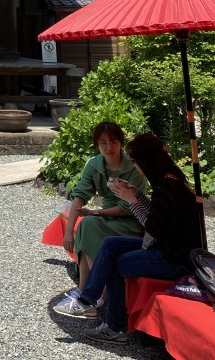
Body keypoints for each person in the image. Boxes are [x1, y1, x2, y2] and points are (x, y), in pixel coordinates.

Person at [53, 132, 202, 345]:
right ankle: (88, 299)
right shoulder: (170, 180)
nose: (134, 164)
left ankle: (114, 327)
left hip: (175, 258)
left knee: (117, 264)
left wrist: (131, 200)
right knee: (111, 244)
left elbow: (152, 227)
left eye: (135, 160)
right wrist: (137, 194)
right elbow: (157, 216)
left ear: (146, 160)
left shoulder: (167, 187)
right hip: (167, 247)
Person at [58, 122, 146, 306]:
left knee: (89, 223)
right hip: (107, 216)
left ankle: (94, 290)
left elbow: (127, 207)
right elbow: (80, 194)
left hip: (131, 219)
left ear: (121, 143)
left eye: (113, 142)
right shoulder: (94, 164)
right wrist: (67, 232)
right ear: (97, 144)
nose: (108, 147)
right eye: (103, 143)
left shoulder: (133, 167)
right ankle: (85, 290)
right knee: (85, 225)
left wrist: (96, 213)